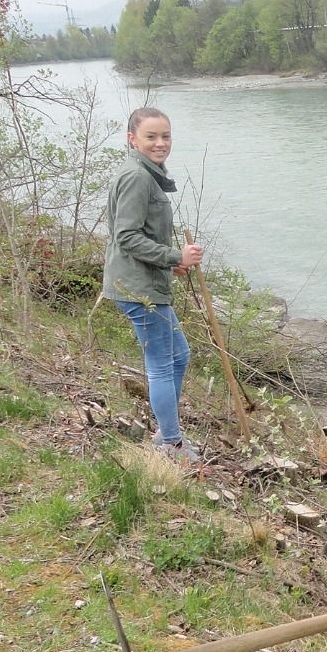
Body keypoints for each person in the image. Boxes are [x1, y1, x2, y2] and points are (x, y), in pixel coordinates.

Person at [103, 107, 204, 462]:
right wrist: (176, 257)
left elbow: (139, 236)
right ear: (133, 139)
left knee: (180, 356)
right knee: (162, 363)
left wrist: (169, 262)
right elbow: (126, 236)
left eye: (165, 136)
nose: (160, 143)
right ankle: (171, 445)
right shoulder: (137, 177)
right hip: (137, 290)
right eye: (151, 136)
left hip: (145, 283)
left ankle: (166, 431)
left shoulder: (147, 174)